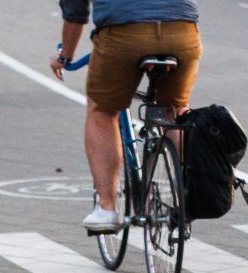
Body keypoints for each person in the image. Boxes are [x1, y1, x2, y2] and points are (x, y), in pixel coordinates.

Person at [51, 0, 202, 232]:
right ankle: (188, 201)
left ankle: (107, 209)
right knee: (173, 113)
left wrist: (65, 57)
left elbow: (75, 11)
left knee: (102, 110)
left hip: (123, 35)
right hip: (181, 32)